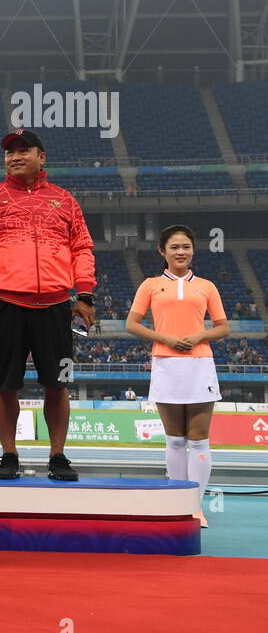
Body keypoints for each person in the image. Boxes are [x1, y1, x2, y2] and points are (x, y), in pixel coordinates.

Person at [0, 128, 96, 481]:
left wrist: (84, 294)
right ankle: (9, 454)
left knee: (58, 384)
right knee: (5, 384)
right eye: (9, 152)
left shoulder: (65, 201)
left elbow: (82, 248)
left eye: (24, 150)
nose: (15, 156)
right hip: (5, 303)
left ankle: (58, 455)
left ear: (42, 157)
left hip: (56, 305)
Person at [125, 224, 229, 528]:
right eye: (174, 247)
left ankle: (195, 507)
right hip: (166, 363)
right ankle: (176, 502)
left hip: (200, 365)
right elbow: (133, 324)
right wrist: (166, 339)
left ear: (193, 250)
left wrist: (199, 336)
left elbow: (223, 327)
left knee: (198, 441)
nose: (180, 252)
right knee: (174, 439)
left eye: (185, 247)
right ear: (162, 251)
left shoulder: (207, 286)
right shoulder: (150, 285)